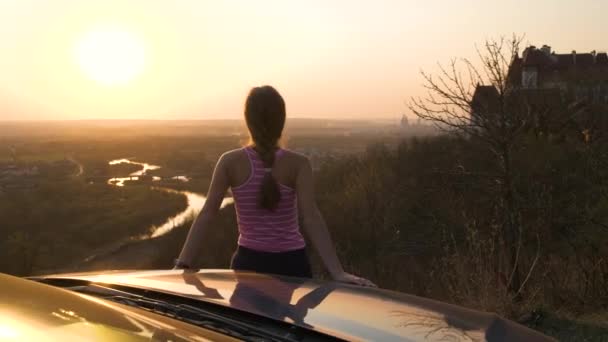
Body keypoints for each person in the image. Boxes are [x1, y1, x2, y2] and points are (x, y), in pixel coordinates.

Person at [175, 85, 375, 287]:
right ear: (282, 120)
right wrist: (337, 273)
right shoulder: (299, 164)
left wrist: (183, 264)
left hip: (248, 263)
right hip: (293, 264)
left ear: (248, 120)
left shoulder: (230, 162)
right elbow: (311, 217)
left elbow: (208, 214)